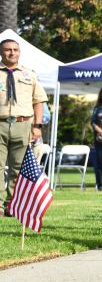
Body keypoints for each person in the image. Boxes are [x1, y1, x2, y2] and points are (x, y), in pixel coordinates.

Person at [0, 39, 48, 217]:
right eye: (7, 50)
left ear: (19, 52)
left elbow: (38, 101)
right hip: (0, 123)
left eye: (15, 50)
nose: (12, 53)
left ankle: (12, 205)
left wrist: (37, 126)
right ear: (1, 52)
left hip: (23, 124)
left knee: (18, 167)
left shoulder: (30, 74)